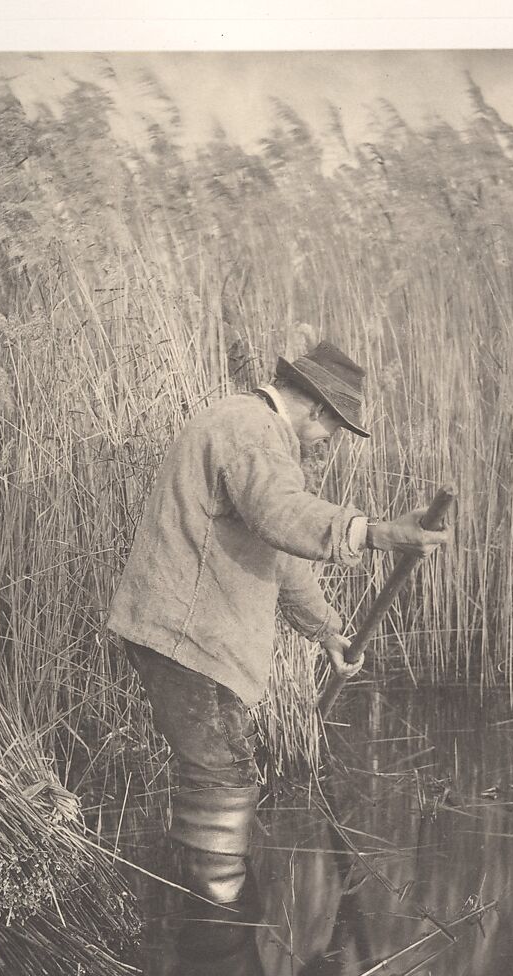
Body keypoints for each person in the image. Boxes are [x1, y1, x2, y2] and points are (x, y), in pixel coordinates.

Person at [107, 340, 447, 904]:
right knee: (224, 774)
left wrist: (325, 628)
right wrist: (380, 532)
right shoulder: (251, 429)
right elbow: (281, 514)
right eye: (333, 430)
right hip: (188, 636)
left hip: (190, 636)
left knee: (216, 769)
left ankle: (196, 907)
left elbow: (279, 548)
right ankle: (216, 930)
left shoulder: (251, 430)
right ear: (317, 409)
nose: (326, 443)